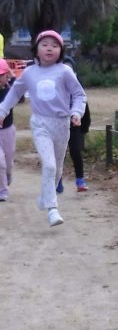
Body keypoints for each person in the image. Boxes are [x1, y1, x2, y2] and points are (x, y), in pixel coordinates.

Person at [0, 30, 86, 227]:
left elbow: (79, 94)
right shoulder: (29, 73)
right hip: (40, 123)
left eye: (55, 46)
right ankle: (52, 209)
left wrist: (76, 112)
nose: (49, 48)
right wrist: (2, 111)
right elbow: (14, 94)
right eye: (45, 44)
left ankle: (45, 197)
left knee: (57, 169)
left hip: (62, 124)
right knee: (49, 165)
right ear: (36, 49)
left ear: (61, 51)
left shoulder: (65, 71)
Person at [57, 54, 91, 193]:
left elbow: (85, 106)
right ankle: (58, 181)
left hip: (75, 124)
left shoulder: (77, 85)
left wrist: (85, 127)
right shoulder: (56, 85)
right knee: (59, 154)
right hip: (58, 124)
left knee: (76, 151)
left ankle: (80, 181)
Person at [0, 58, 17, 201]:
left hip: (8, 130)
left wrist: (10, 74)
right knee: (0, 162)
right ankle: (2, 190)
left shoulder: (11, 89)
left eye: (2, 75)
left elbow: (19, 88)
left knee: (8, 162)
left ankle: (8, 176)